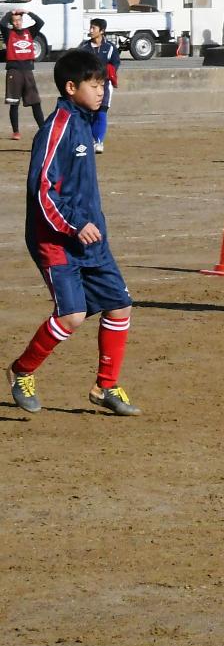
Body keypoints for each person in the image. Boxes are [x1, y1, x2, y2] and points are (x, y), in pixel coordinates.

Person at [7, 49, 138, 416]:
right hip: (57, 239)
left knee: (119, 305)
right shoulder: (58, 127)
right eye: (95, 85)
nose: (101, 92)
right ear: (70, 87)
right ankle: (21, 371)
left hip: (91, 237)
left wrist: (90, 224)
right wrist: (74, 225)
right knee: (72, 316)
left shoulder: (85, 121)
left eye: (103, 85)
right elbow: (42, 190)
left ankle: (106, 386)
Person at [5, 7, 47, 139]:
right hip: (14, 71)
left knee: (35, 102)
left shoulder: (29, 32)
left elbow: (40, 22)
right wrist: (10, 13)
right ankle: (16, 131)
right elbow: (1, 23)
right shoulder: (9, 33)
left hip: (28, 71)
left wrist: (28, 12)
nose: (17, 23)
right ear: (12, 23)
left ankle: (43, 129)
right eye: (15, 21)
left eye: (19, 20)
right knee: (14, 102)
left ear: (22, 20)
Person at [83, 19, 120, 152]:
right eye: (90, 27)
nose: (91, 30)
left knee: (101, 112)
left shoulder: (109, 47)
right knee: (90, 114)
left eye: (94, 28)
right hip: (88, 86)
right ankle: (90, 139)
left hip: (104, 85)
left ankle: (99, 141)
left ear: (102, 31)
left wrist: (108, 72)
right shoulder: (84, 48)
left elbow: (116, 63)